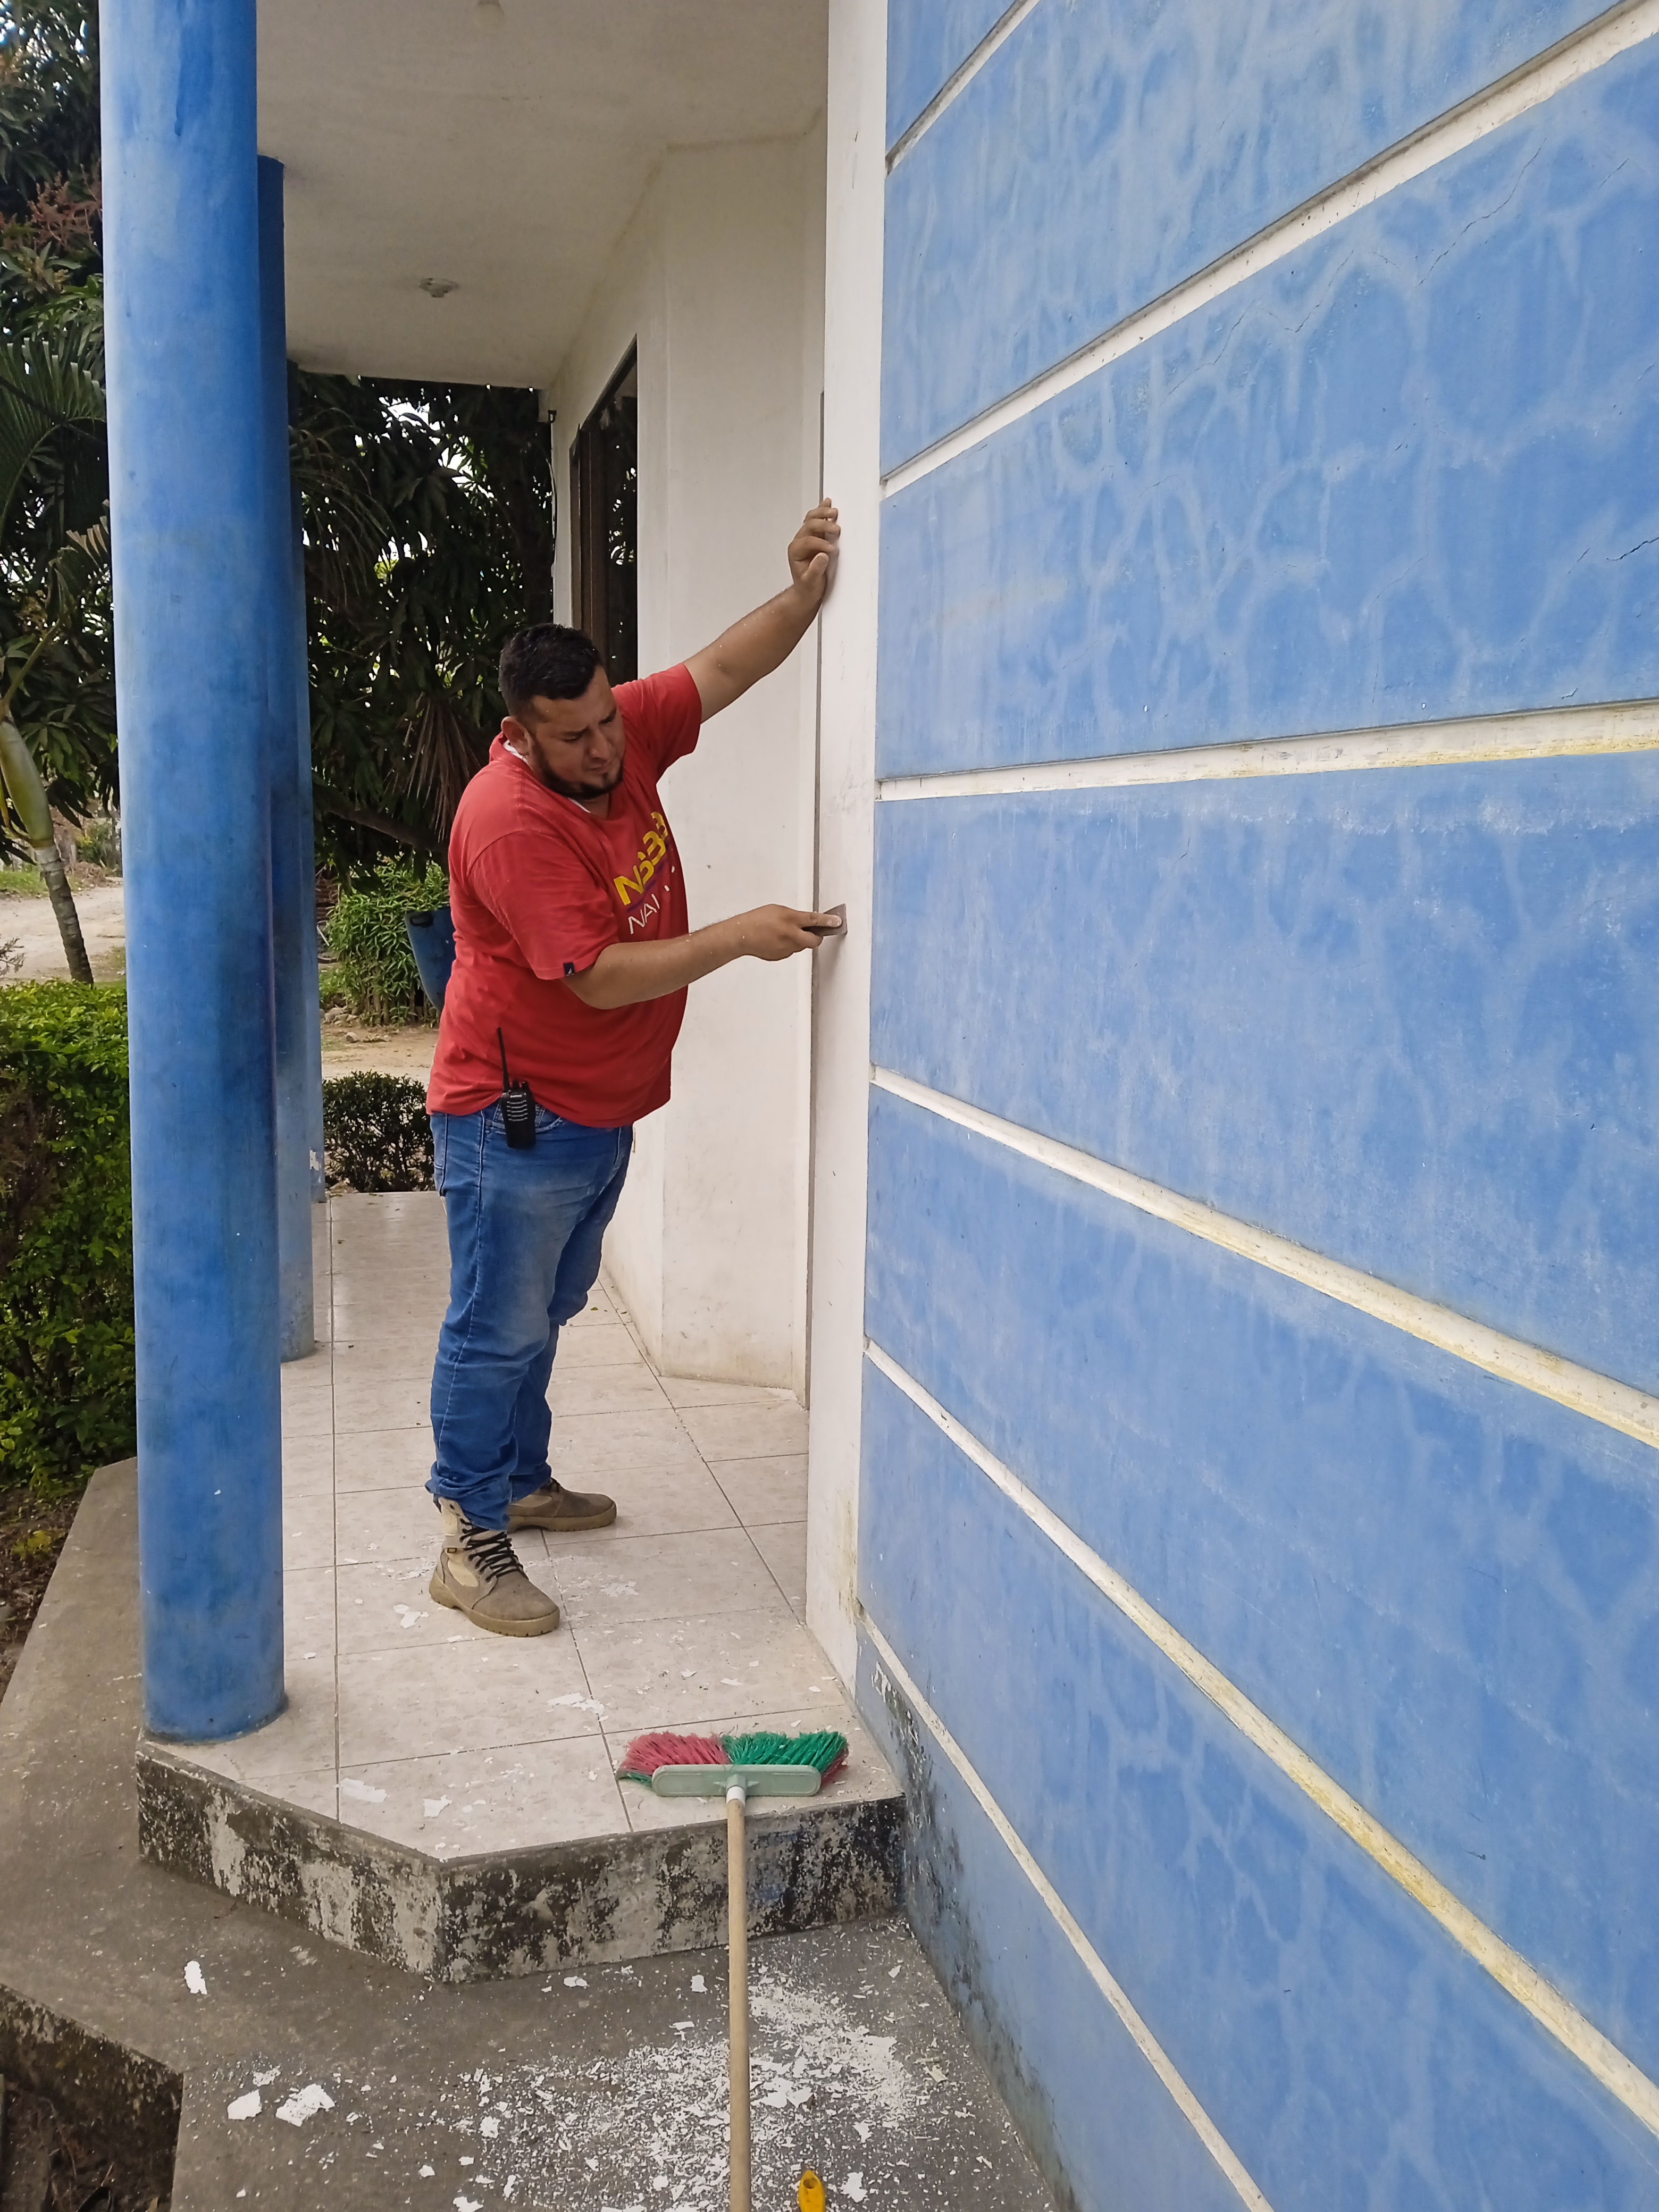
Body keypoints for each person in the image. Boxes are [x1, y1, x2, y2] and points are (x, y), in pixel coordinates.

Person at [422, 498, 842, 1636]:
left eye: (609, 719)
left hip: (596, 1108)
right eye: (576, 737)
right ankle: (467, 1536)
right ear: (523, 733)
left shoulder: (619, 735)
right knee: (495, 1326)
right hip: (514, 1115)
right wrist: (739, 936)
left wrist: (803, 594)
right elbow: (599, 977)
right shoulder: (510, 819)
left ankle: (519, 1480)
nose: (606, 749)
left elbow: (722, 669)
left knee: (546, 1310)